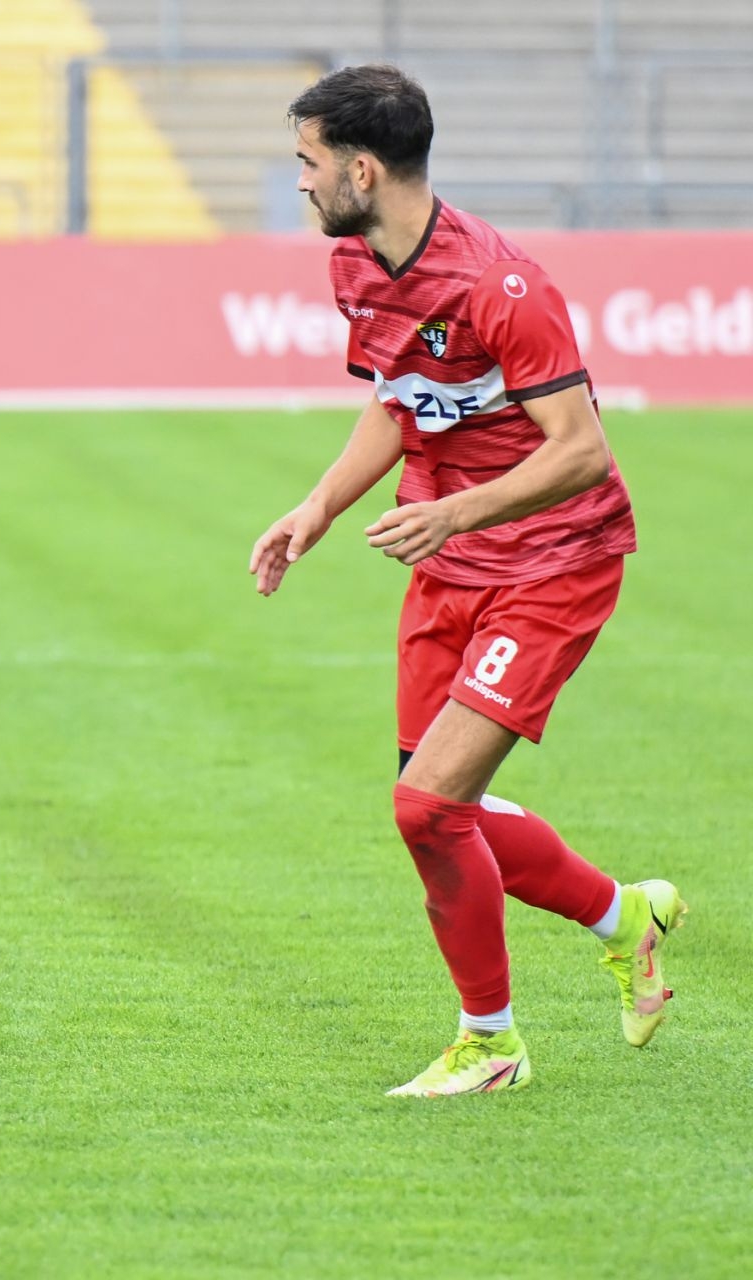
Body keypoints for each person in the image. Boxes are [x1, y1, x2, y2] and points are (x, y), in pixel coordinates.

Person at [250, 65, 686, 1096]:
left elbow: (581, 451)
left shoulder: (501, 285)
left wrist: (452, 510)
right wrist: (318, 507)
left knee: (427, 807)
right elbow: (397, 399)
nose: (300, 181)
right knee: (442, 809)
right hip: (450, 568)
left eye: (308, 162)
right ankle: (625, 916)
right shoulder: (355, 263)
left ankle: (492, 1045)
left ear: (362, 168)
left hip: (553, 562)